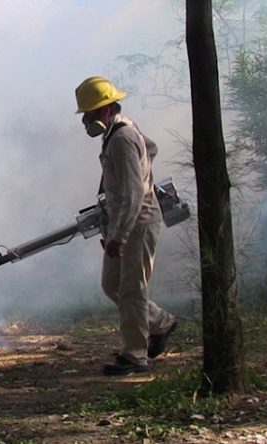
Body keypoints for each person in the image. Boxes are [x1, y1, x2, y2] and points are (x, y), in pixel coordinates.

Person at [74, 76, 178, 376]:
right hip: (124, 221)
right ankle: (160, 322)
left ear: (106, 110)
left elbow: (133, 194)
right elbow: (152, 149)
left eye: (89, 114)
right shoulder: (121, 131)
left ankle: (135, 355)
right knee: (112, 285)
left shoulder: (120, 139)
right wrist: (142, 171)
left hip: (138, 223)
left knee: (132, 290)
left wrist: (118, 236)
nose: (85, 121)